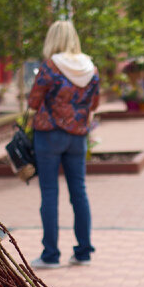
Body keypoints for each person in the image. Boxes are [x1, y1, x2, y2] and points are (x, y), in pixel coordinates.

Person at [27, 20, 99, 269]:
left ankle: (51, 255)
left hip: (49, 134)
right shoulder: (90, 67)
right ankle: (83, 252)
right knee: (79, 192)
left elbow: (34, 101)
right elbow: (95, 103)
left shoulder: (50, 66)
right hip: (77, 135)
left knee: (49, 193)